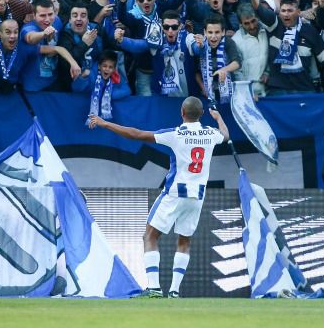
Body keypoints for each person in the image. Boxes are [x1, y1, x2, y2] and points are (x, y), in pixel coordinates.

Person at [88, 97, 229, 298]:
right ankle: (174, 291)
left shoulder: (176, 134)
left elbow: (135, 134)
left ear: (182, 112)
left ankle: (154, 288)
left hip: (175, 192)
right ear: (202, 114)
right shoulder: (211, 134)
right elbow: (225, 134)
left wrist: (105, 123)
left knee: (150, 236)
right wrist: (218, 117)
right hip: (197, 195)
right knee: (184, 240)